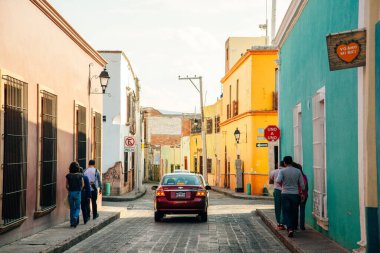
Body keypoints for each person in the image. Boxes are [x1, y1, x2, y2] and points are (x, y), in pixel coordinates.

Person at [276, 156, 305, 237]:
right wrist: (302, 192)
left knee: (286, 212)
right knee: (294, 211)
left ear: (285, 163)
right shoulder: (298, 171)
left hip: (285, 194)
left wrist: (283, 185)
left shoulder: (282, 171)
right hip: (295, 194)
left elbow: (278, 181)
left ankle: (290, 228)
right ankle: (292, 227)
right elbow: (302, 185)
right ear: (291, 162)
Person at [66, 162, 84, 228]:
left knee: (72, 208)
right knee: (78, 208)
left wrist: (69, 190)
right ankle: (75, 217)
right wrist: (80, 189)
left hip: (71, 193)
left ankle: (72, 223)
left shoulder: (68, 175)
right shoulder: (80, 175)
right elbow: (83, 184)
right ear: (77, 168)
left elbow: (66, 186)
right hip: (78, 192)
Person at [269, 161, 285, 230]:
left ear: (278, 165)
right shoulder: (286, 171)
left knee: (277, 207)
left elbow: (270, 181)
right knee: (284, 207)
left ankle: (279, 223)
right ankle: (283, 222)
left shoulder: (273, 172)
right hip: (285, 191)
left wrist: (275, 180)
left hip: (277, 191)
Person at [293, 163, 308, 230]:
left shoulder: (296, 176)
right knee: (302, 210)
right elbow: (307, 187)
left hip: (297, 194)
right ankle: (302, 226)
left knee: (295, 210)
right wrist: (305, 194)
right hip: (304, 194)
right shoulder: (304, 176)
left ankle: (295, 225)